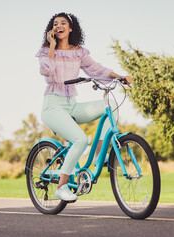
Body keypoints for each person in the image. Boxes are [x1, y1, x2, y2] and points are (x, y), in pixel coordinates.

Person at [36, 12, 132, 202]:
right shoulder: (46, 50)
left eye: (63, 23)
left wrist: (119, 76)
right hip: (53, 106)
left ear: (71, 28)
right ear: (52, 30)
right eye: (56, 24)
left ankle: (99, 157)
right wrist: (52, 46)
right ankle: (61, 187)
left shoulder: (79, 52)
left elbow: (97, 70)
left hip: (72, 105)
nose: (59, 26)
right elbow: (46, 70)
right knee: (80, 139)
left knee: (110, 105)